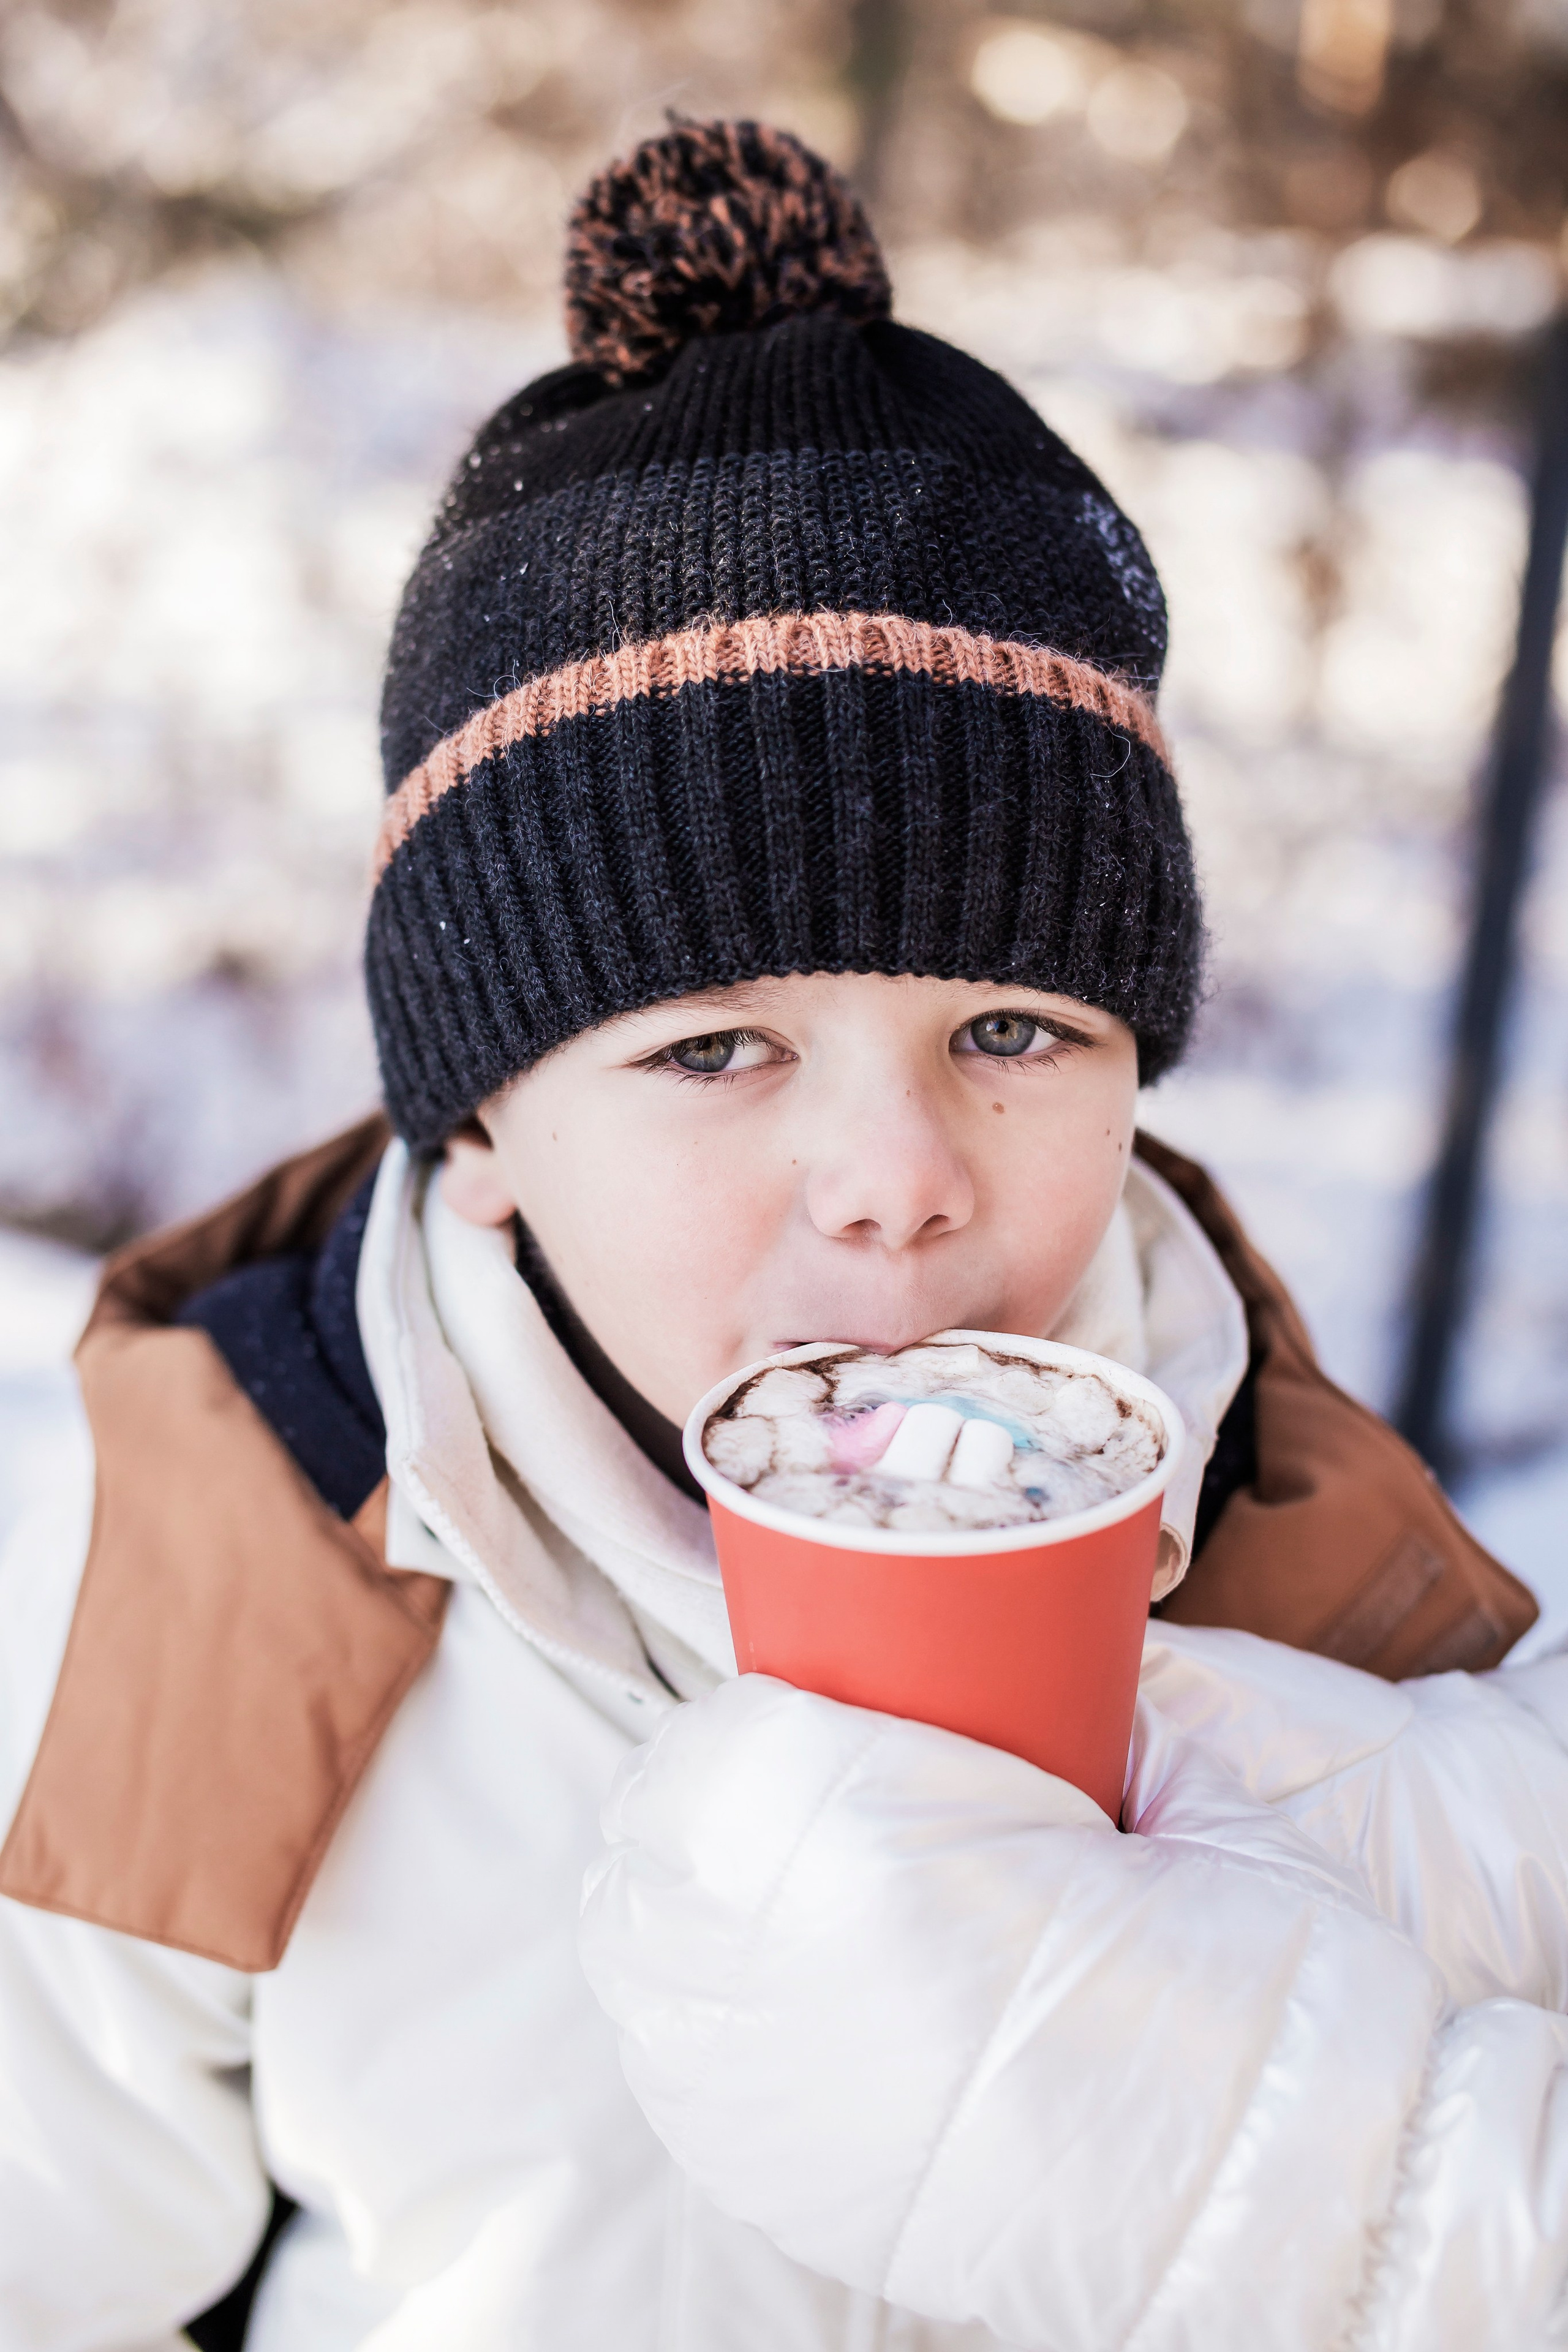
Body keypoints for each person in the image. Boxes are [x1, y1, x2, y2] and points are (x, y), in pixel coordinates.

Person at [0, 119, 1559, 2352]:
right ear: (492, 1130)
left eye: (1011, 1024)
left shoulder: (1312, 1575)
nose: (895, 1176)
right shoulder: (215, 1569)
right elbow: (46, 2261)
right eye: (717, 1049)